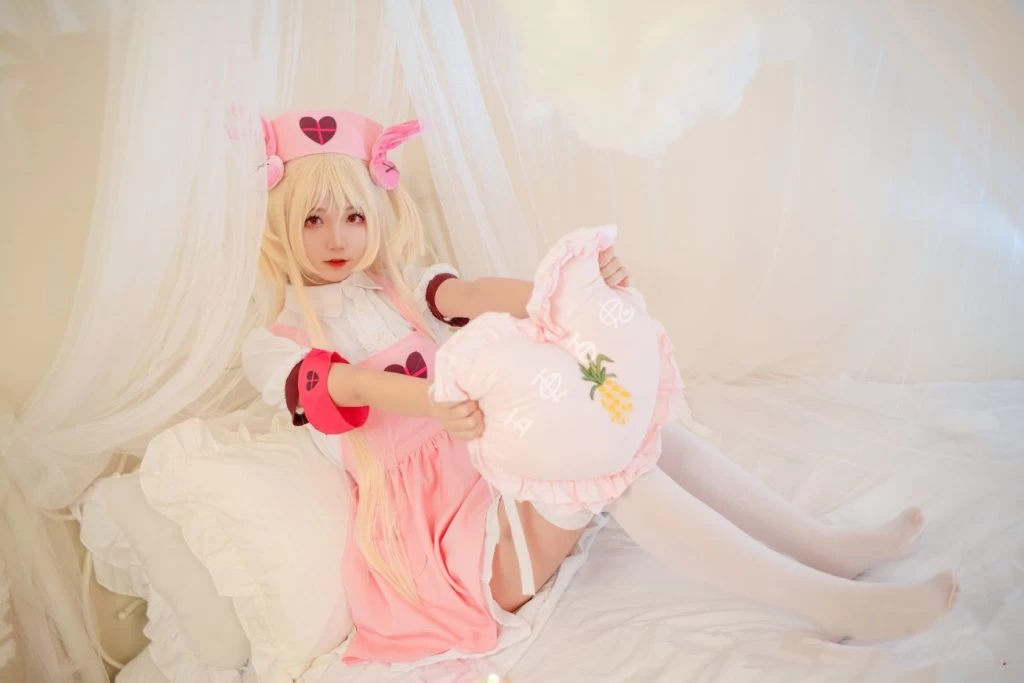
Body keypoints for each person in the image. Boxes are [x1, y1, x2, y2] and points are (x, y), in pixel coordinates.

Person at [242, 109, 958, 668]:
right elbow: (340, 385)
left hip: (496, 481)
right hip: (447, 555)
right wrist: (432, 400)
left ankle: (823, 548)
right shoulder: (275, 342)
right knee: (606, 468)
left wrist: (572, 290)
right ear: (281, 225)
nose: (336, 236)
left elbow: (474, 294)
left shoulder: (404, 289)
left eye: (353, 215)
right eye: (313, 218)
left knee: (637, 429)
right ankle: (828, 601)